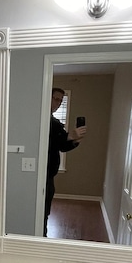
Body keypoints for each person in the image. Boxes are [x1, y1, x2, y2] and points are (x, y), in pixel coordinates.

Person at [44, 87, 87, 236]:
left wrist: (75, 141)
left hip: (49, 175)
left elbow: (61, 146)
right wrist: (69, 137)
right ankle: (41, 239)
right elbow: (46, 143)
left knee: (45, 211)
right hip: (42, 176)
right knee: (42, 212)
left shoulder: (54, 121)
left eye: (61, 101)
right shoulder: (43, 120)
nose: (58, 103)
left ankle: (42, 236)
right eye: (56, 99)